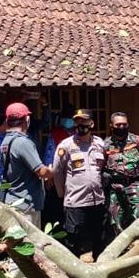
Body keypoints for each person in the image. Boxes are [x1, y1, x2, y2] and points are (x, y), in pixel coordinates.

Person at [53, 109, 107, 259]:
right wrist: (62, 194)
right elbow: (57, 172)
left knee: (99, 238)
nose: (80, 124)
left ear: (92, 123)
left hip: (97, 200)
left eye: (84, 121)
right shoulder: (66, 145)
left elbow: (101, 168)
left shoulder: (99, 144)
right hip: (75, 201)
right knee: (74, 239)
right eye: (77, 121)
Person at [0, 103, 54, 227]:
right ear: (26, 120)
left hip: (12, 200)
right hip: (26, 205)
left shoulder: (5, 142)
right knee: (29, 245)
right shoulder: (23, 142)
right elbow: (41, 172)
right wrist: (54, 171)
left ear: (7, 120)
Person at [103, 112, 139, 233]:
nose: (121, 127)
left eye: (124, 124)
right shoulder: (106, 145)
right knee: (115, 218)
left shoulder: (137, 141)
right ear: (111, 126)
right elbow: (101, 166)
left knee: (138, 216)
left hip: (135, 184)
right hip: (115, 186)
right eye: (118, 125)